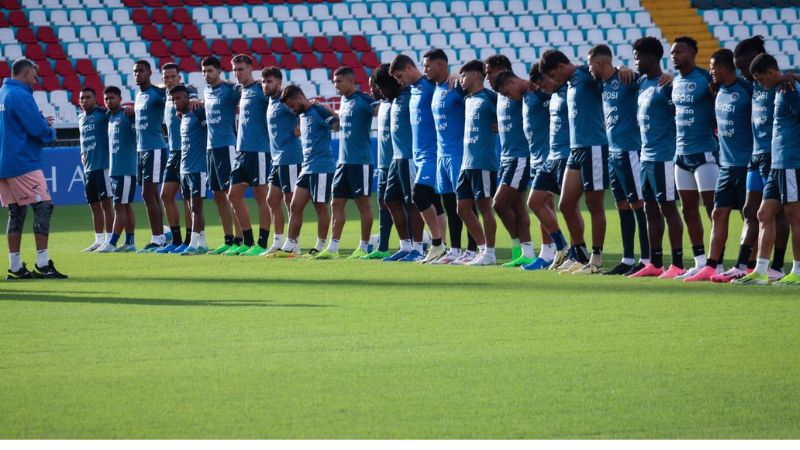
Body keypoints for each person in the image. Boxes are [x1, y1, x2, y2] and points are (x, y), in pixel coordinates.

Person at [685, 49, 754, 282]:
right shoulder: (717, 90)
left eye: (713, 67)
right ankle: (711, 266)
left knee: (749, 215)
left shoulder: (746, 90)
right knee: (718, 212)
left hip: (746, 164)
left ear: (725, 67)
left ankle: (748, 265)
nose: (710, 71)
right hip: (725, 164)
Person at [540, 49, 609, 275]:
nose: (553, 80)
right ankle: (578, 254)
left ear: (561, 67)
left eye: (553, 75)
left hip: (594, 147)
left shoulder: (586, 75)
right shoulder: (569, 84)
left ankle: (596, 260)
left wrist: (621, 70)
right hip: (575, 149)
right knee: (566, 204)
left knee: (594, 204)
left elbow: (608, 76)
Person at [736, 54, 800, 285]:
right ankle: (761, 270)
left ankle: (798, 271)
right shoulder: (782, 86)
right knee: (763, 214)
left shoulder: (789, 89)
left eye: (760, 78)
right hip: (777, 164)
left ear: (772, 73)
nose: (759, 83)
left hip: (790, 162)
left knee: (794, 215)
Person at [588, 45, 651, 276]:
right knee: (622, 205)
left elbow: (649, 79)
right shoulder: (601, 83)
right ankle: (627, 258)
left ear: (601, 63)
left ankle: (646, 259)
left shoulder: (626, 78)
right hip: (612, 153)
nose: (588, 68)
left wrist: (625, 68)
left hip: (629, 151)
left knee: (638, 204)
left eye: (590, 63)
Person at [0, 58, 66, 278]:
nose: (36, 81)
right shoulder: (20, 94)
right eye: (35, 75)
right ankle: (43, 263)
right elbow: (35, 127)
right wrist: (49, 131)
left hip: (4, 163)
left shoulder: (3, 93)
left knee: (16, 212)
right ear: (26, 72)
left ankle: (15, 267)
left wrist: (37, 122)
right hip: (22, 161)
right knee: (43, 206)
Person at [494, 69, 564, 270]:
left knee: (550, 204)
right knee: (545, 205)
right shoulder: (525, 96)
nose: (508, 97)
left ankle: (560, 250)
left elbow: (558, 101)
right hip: (537, 157)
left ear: (513, 82)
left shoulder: (539, 92)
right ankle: (552, 251)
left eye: (507, 92)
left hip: (549, 155)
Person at [628, 37, 686, 278]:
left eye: (638, 56)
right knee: (649, 208)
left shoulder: (667, 85)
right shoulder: (642, 83)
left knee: (667, 208)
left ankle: (678, 263)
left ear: (652, 57)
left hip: (664, 156)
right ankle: (655, 262)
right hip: (646, 156)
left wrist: (674, 81)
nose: (635, 61)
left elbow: (680, 115)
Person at [670, 36, 720, 280]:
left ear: (692, 53)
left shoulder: (705, 79)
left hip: (704, 153)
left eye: (679, 51)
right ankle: (700, 261)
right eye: (672, 52)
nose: (674, 56)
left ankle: (716, 262)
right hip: (681, 155)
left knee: (713, 210)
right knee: (688, 210)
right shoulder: (674, 82)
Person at [424, 49, 479, 265]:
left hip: (458, 154)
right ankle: (455, 249)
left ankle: (473, 250)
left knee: (465, 203)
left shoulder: (457, 85)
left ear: (441, 65)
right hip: (441, 155)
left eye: (428, 65)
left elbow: (479, 96)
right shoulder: (436, 88)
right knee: (449, 204)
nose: (425, 69)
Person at [390, 54, 447, 263]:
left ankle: (437, 243)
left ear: (408, 67)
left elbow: (450, 88)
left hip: (433, 153)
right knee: (434, 201)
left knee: (421, 196)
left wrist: (456, 76)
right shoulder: (412, 91)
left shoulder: (430, 85)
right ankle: (443, 246)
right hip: (419, 155)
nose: (399, 80)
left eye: (399, 75)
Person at [318, 66, 376, 260]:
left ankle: (363, 246)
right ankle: (333, 248)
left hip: (361, 162)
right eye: (334, 82)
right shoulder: (344, 101)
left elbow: (379, 110)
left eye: (339, 82)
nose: (336, 86)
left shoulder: (364, 100)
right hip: (343, 163)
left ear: (351, 81)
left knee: (363, 205)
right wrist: (328, 112)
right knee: (336, 203)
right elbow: (341, 123)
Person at [272, 86, 337, 258]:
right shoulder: (301, 115)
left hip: (322, 167)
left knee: (320, 206)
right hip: (306, 167)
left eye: (292, 105)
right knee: (294, 206)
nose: (292, 109)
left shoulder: (318, 111)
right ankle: (290, 245)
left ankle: (321, 245)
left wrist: (327, 109)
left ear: (300, 98)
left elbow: (336, 125)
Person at [485, 55, 535, 268]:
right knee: (517, 207)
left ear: (501, 69)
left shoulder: (524, 89)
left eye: (489, 72)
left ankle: (526, 249)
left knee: (499, 203)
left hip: (520, 156)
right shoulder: (500, 94)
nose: (487, 77)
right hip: (506, 157)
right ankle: (526, 252)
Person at [522, 65, 572, 270]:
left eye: (544, 83)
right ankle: (560, 247)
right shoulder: (544, 94)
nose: (543, 88)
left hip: (568, 154)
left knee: (569, 205)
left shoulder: (570, 89)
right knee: (535, 202)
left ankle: (580, 252)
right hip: (550, 155)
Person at [380, 64, 426, 262]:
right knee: (389, 200)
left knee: (412, 203)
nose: (381, 91)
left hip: (409, 158)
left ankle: (418, 248)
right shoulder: (396, 99)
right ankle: (405, 246)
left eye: (382, 86)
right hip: (396, 159)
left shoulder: (411, 95)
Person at [228, 54, 272, 256]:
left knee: (261, 196)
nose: (237, 73)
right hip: (242, 152)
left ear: (250, 68)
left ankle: (262, 244)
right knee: (233, 195)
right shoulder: (241, 91)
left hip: (260, 151)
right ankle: (247, 241)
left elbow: (283, 100)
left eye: (241, 69)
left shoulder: (260, 89)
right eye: (235, 69)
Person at [456, 60, 499, 266]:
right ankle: (482, 249)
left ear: (474, 76)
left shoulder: (491, 97)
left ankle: (490, 253)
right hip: (466, 163)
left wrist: (502, 124)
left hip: (483, 162)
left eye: (463, 76)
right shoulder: (467, 99)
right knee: (462, 208)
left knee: (484, 208)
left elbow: (512, 109)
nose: (460, 80)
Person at [201, 56, 242, 255]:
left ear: (218, 71)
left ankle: (241, 238)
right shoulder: (206, 92)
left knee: (231, 194)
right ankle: (228, 239)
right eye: (204, 71)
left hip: (227, 146)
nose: (206, 75)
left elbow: (247, 91)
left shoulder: (230, 89)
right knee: (218, 195)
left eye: (210, 71)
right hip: (211, 148)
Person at [262, 67, 303, 256]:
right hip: (277, 159)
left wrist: (300, 125)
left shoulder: (285, 100)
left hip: (291, 157)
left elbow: (305, 108)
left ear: (279, 82)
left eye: (269, 81)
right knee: (271, 199)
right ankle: (278, 241)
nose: (265, 85)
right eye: (263, 82)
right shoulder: (270, 102)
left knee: (291, 202)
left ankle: (294, 243)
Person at [157, 62, 198, 254]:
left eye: (173, 77)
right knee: (165, 195)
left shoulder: (188, 90)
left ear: (179, 77)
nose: (170, 80)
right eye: (166, 77)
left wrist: (195, 100)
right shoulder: (165, 94)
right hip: (173, 152)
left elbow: (196, 98)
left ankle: (190, 240)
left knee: (188, 199)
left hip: (187, 151)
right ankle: (176, 239)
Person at [96, 86, 137, 254]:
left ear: (120, 99)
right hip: (116, 170)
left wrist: (133, 112)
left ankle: (112, 242)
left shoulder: (127, 115)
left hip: (126, 169)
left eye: (112, 98)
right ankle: (129, 242)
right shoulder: (110, 118)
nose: (109, 101)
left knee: (119, 206)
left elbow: (138, 130)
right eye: (106, 98)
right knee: (125, 207)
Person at [133, 60, 169, 252]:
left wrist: (194, 97)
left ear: (149, 73)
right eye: (135, 71)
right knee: (152, 193)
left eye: (141, 71)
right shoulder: (139, 95)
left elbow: (175, 89)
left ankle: (157, 238)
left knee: (148, 193)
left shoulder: (156, 93)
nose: (137, 74)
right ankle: (162, 234)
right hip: (141, 149)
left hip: (155, 148)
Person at [361, 66, 395, 260]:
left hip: (397, 163)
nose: (371, 90)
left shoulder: (394, 103)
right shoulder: (381, 106)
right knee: (383, 203)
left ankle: (414, 244)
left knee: (404, 204)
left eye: (372, 86)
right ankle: (383, 246)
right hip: (383, 164)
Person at [170, 85, 209, 255]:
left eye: (178, 98)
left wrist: (200, 103)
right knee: (191, 206)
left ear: (187, 98)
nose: (175, 102)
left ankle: (192, 243)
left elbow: (210, 131)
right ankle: (202, 242)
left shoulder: (198, 112)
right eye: (173, 99)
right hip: (184, 170)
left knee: (196, 207)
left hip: (198, 168)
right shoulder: (183, 116)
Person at [77, 86, 113, 252]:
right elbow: (83, 139)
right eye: (82, 98)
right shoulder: (80, 118)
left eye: (88, 97)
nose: (84, 100)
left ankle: (111, 239)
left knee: (107, 205)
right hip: (88, 169)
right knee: (94, 205)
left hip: (103, 166)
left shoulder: (103, 114)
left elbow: (118, 114)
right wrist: (82, 152)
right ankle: (98, 240)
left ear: (95, 99)